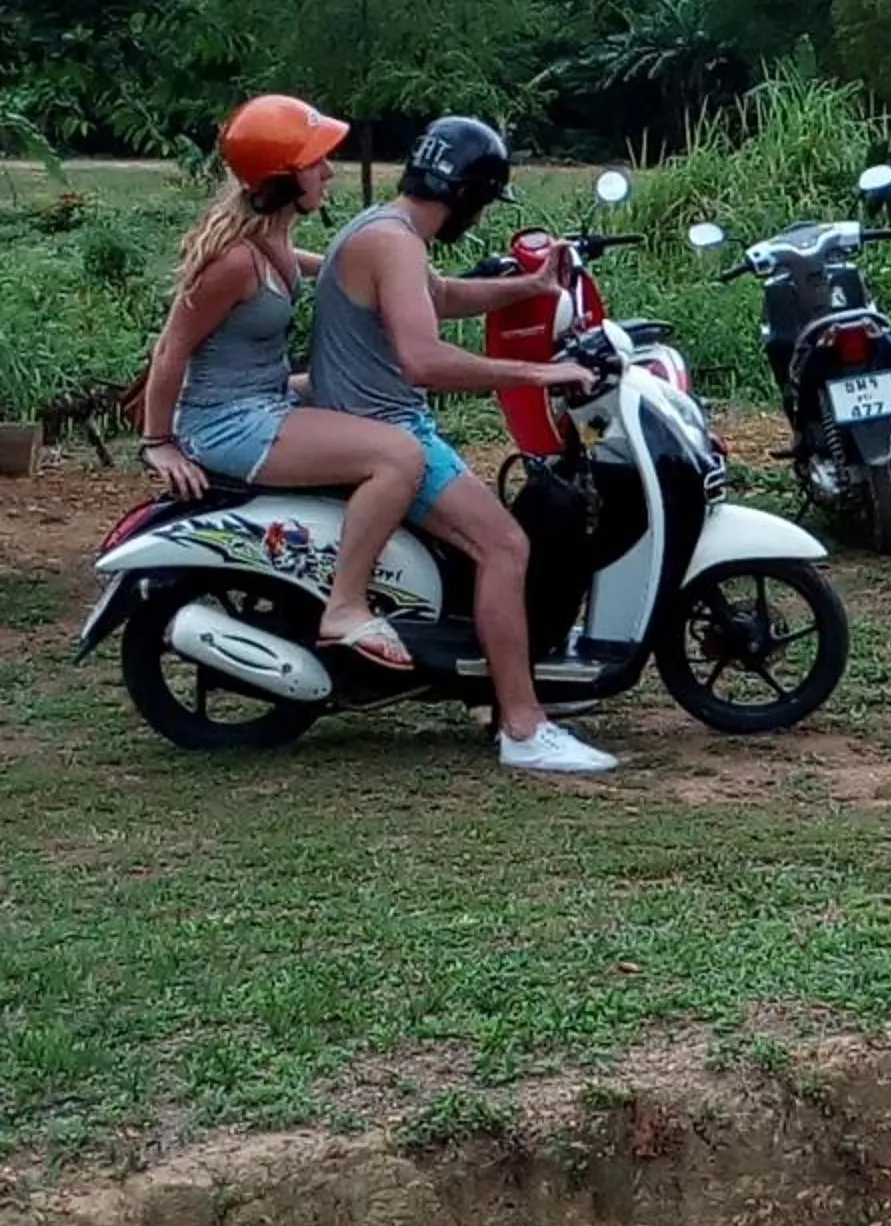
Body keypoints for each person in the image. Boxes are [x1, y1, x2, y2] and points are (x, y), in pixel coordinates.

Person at [307, 114, 616, 776]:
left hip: (374, 422)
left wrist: (531, 288)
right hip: (391, 430)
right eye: (480, 204)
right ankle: (524, 728)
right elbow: (422, 359)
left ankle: (486, 686)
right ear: (468, 194)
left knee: (486, 544)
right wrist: (538, 372)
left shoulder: (385, 231)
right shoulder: (396, 244)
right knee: (505, 546)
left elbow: (440, 297)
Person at [137, 94, 440, 672]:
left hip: (267, 399)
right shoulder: (234, 262)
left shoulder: (270, 238)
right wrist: (159, 442)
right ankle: (345, 606)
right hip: (230, 421)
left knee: (375, 406)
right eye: (315, 162)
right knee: (398, 456)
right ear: (282, 177)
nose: (329, 171)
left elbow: (333, 266)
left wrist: (401, 275)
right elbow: (172, 346)